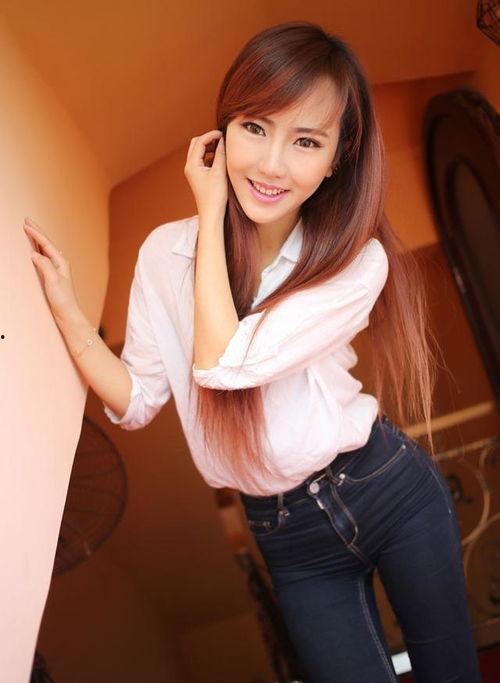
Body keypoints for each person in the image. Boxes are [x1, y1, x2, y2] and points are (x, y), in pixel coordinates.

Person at [24, 20, 481, 683]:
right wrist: (67, 306)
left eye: (306, 141)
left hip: (385, 488)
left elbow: (223, 364)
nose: (271, 165)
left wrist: (211, 214)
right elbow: (137, 400)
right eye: (255, 127)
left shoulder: (356, 262)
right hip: (285, 534)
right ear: (224, 130)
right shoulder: (165, 255)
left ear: (338, 157)